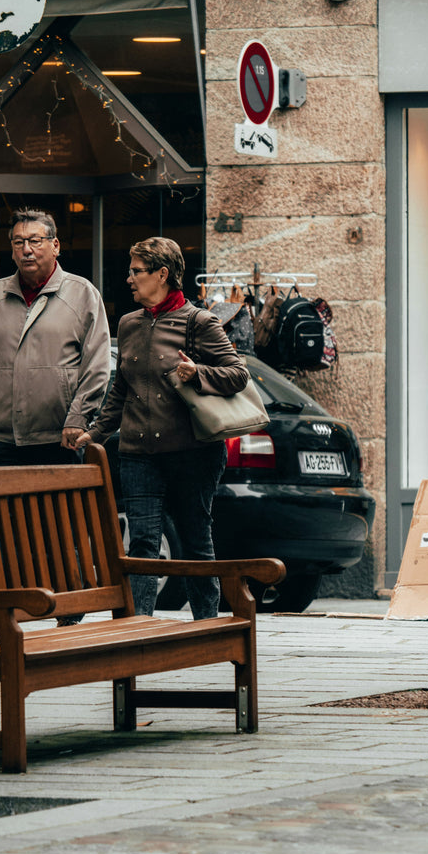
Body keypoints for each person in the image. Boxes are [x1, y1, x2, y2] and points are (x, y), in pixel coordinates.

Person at [80, 236, 249, 620]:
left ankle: (208, 626)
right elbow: (120, 388)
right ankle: (136, 626)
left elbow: (237, 374)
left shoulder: (199, 322)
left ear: (163, 274)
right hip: (139, 454)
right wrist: (95, 433)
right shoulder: (128, 324)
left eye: (137, 271)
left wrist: (198, 372)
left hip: (192, 453)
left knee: (194, 539)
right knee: (141, 541)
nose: (129, 279)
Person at [0, 208, 111, 466]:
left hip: (58, 440)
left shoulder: (83, 294)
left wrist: (78, 418)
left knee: (61, 509)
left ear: (55, 245)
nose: (26, 249)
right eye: (18, 242)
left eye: (35, 241)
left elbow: (97, 366)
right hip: (1, 442)